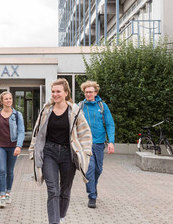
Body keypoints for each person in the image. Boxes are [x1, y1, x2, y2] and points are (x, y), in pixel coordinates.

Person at [29, 78, 92, 224]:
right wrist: (33, 150)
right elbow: (37, 132)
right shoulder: (46, 110)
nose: (55, 94)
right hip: (49, 152)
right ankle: (54, 221)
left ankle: (61, 216)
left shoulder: (75, 112)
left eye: (58, 91)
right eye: (53, 91)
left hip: (68, 154)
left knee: (65, 190)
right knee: (53, 190)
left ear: (66, 93)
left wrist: (86, 152)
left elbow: (85, 133)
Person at [79, 80, 115, 209]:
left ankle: (93, 186)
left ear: (95, 92)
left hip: (99, 143)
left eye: (90, 92)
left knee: (98, 169)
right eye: (86, 92)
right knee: (89, 169)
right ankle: (92, 196)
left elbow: (110, 124)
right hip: (85, 144)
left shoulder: (102, 106)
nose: (88, 94)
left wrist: (111, 141)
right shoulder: (80, 106)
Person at [0, 91, 25, 208]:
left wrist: (19, 146)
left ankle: (8, 192)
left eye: (10, 98)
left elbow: (21, 131)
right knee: (2, 170)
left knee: (10, 171)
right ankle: (2, 196)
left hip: (13, 146)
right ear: (2, 101)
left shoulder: (17, 115)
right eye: (6, 99)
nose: (8, 100)